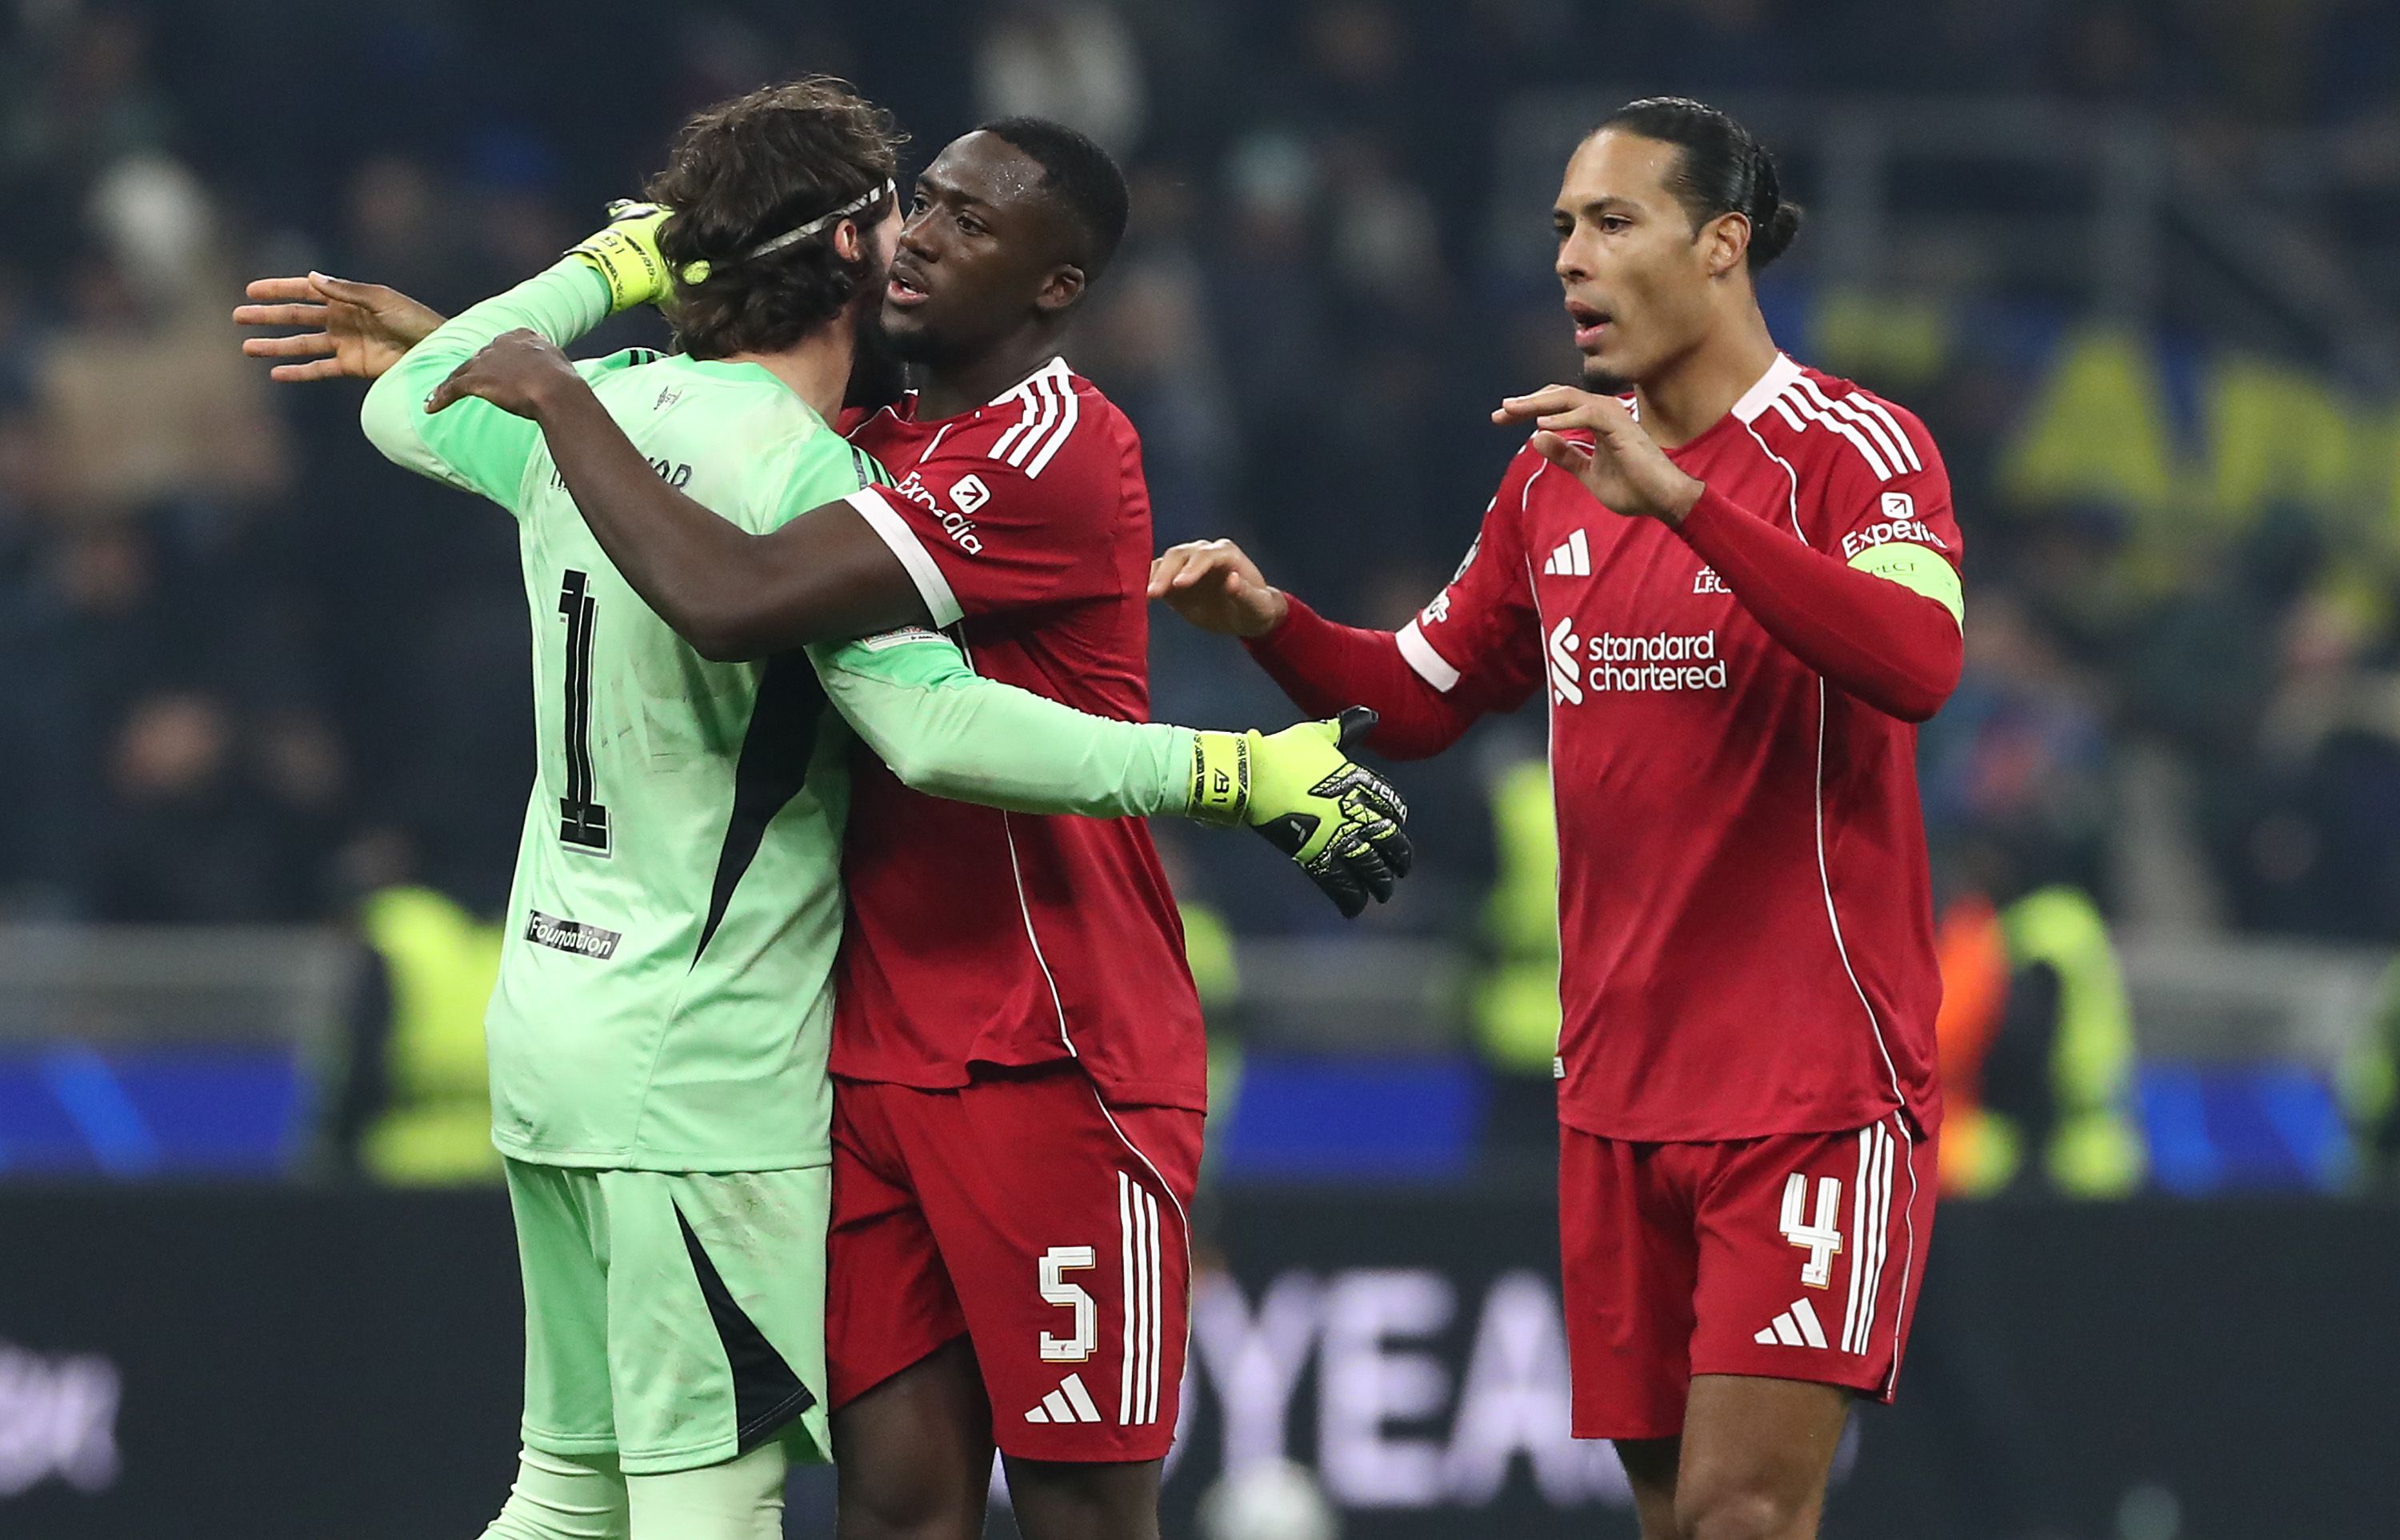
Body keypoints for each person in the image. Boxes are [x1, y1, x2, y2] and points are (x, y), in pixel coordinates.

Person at [242, 82, 1409, 1540]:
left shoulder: (994, 440)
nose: (925, 238)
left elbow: (438, 416)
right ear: (850, 245)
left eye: (967, 220)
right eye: (918, 208)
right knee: (769, 1504)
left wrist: (566, 316)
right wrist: (1233, 771)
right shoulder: (824, 461)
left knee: (599, 1497)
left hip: (972, 1043)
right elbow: (900, 703)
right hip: (763, 1058)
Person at [1151, 97, 1963, 1540]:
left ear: (1721, 245)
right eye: (1563, 229)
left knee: (1741, 1514)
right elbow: (1416, 696)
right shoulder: (1554, 478)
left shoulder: (1854, 447)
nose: (1572, 260)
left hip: (1809, 1087)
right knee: (1672, 1518)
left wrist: (1685, 504)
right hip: (1613, 1093)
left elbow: (1918, 661)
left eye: (1612, 222)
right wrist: (1274, 625)